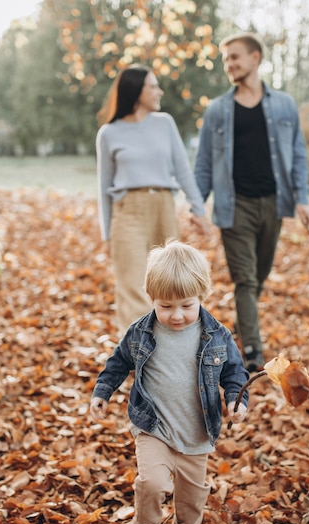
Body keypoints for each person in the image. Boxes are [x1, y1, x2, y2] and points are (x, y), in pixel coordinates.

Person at [90, 239, 249, 524]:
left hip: (196, 430)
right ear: (152, 299)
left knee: (191, 499)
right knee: (150, 482)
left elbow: (235, 373)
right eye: (166, 306)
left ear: (202, 296)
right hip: (153, 426)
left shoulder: (217, 336)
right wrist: (102, 391)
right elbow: (118, 362)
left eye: (186, 306)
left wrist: (237, 401)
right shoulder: (141, 332)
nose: (176, 315)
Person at [194, 32, 309, 372]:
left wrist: (302, 199)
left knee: (259, 276)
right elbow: (204, 162)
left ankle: (243, 326)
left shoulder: (284, 105)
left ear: (255, 58)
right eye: (226, 59)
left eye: (235, 57)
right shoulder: (217, 110)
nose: (229, 64)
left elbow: (299, 155)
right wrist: (197, 205)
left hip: (273, 204)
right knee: (245, 280)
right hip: (235, 206)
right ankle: (254, 352)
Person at [96, 64, 208, 335]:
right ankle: (138, 358)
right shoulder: (109, 133)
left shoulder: (165, 123)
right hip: (128, 211)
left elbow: (182, 170)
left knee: (171, 281)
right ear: (136, 91)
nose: (159, 91)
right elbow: (104, 187)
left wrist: (199, 209)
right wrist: (107, 234)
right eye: (153, 86)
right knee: (132, 285)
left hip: (163, 207)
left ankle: (170, 349)